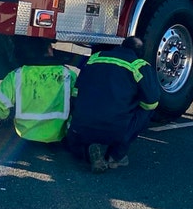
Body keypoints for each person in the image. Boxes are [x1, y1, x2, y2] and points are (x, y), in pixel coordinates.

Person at [0, 39, 75, 156]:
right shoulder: (68, 75)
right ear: (49, 50)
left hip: (26, 137)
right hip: (58, 138)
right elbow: (80, 108)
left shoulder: (16, 76)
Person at [65, 36, 160, 173]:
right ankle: (115, 156)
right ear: (140, 52)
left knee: (87, 106)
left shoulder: (95, 58)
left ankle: (88, 147)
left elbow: (76, 91)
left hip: (79, 127)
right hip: (115, 130)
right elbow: (152, 101)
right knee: (148, 109)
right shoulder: (139, 66)